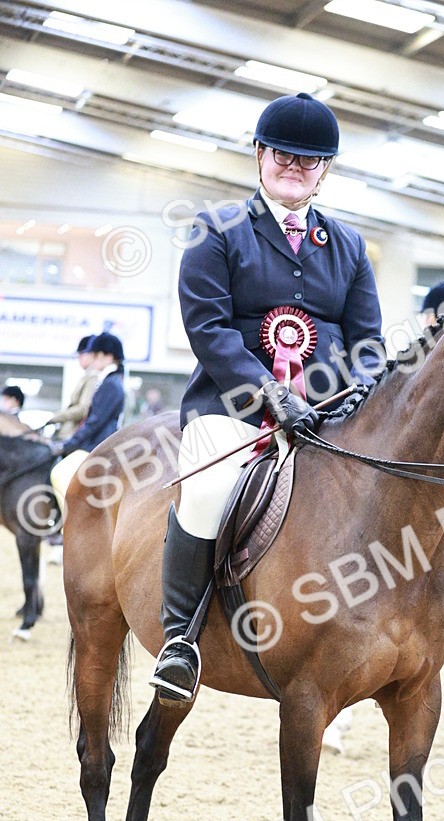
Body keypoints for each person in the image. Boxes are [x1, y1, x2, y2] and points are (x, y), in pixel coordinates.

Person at [150, 90, 384, 706]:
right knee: (204, 490)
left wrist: (355, 399)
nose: (294, 166)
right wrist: (268, 392)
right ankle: (181, 639)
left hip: (329, 416)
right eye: (283, 154)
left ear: (325, 170)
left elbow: (367, 344)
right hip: (232, 410)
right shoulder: (218, 230)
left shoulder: (351, 246)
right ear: (259, 154)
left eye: (309, 161)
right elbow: (208, 328)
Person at [50, 332, 126, 515]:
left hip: (98, 445)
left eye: (96, 355)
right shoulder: (109, 381)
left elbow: (95, 422)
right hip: (95, 442)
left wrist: (69, 444)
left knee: (59, 472)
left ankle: (69, 523)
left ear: (108, 356)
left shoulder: (111, 384)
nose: (92, 359)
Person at [49, 336, 97, 439]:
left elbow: (83, 409)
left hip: (74, 434)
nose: (79, 359)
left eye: (80, 355)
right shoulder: (88, 376)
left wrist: (55, 417)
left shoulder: (93, 377)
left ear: (91, 354)